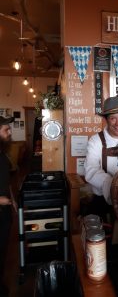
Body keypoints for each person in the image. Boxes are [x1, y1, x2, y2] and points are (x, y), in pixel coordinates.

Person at [0, 116, 16, 297]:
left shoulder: (2, 153)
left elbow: (7, 181)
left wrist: (12, 198)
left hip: (4, 213)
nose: (10, 133)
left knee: (2, 251)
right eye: (6, 130)